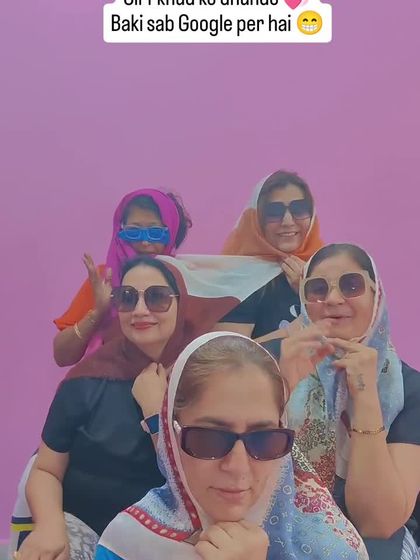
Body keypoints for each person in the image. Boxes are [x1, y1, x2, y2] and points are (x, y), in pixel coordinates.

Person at [96, 332, 368, 560]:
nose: (238, 468)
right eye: (209, 440)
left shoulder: (326, 546)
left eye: (263, 440)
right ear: (171, 436)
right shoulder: (129, 545)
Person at [269, 243, 420, 559]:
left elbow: (377, 523)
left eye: (351, 285)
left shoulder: (408, 387)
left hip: (371, 541)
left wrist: (365, 396)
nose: (334, 299)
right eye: (318, 289)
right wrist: (283, 387)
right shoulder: (273, 365)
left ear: (375, 295)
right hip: (282, 521)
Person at [53, 188, 192, 366]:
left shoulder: (184, 278)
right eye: (134, 232)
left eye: (155, 233)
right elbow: (61, 356)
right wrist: (98, 312)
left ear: (171, 233)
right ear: (120, 231)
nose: (145, 242)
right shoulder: (103, 279)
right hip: (105, 379)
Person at [218, 170, 323, 338]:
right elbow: (229, 350)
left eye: (299, 209)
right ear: (257, 219)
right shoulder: (237, 279)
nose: (288, 221)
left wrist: (310, 291)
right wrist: (297, 327)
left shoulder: (327, 269)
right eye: (274, 212)